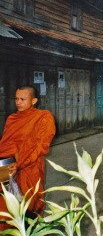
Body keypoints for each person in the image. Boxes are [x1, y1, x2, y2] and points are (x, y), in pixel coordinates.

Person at [0, 85, 56, 229]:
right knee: (7, 210)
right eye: (16, 99)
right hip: (8, 168)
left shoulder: (43, 117)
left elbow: (41, 146)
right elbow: (5, 145)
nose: (18, 102)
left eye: (23, 99)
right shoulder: (12, 119)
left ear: (34, 100)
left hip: (30, 168)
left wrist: (20, 164)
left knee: (31, 206)